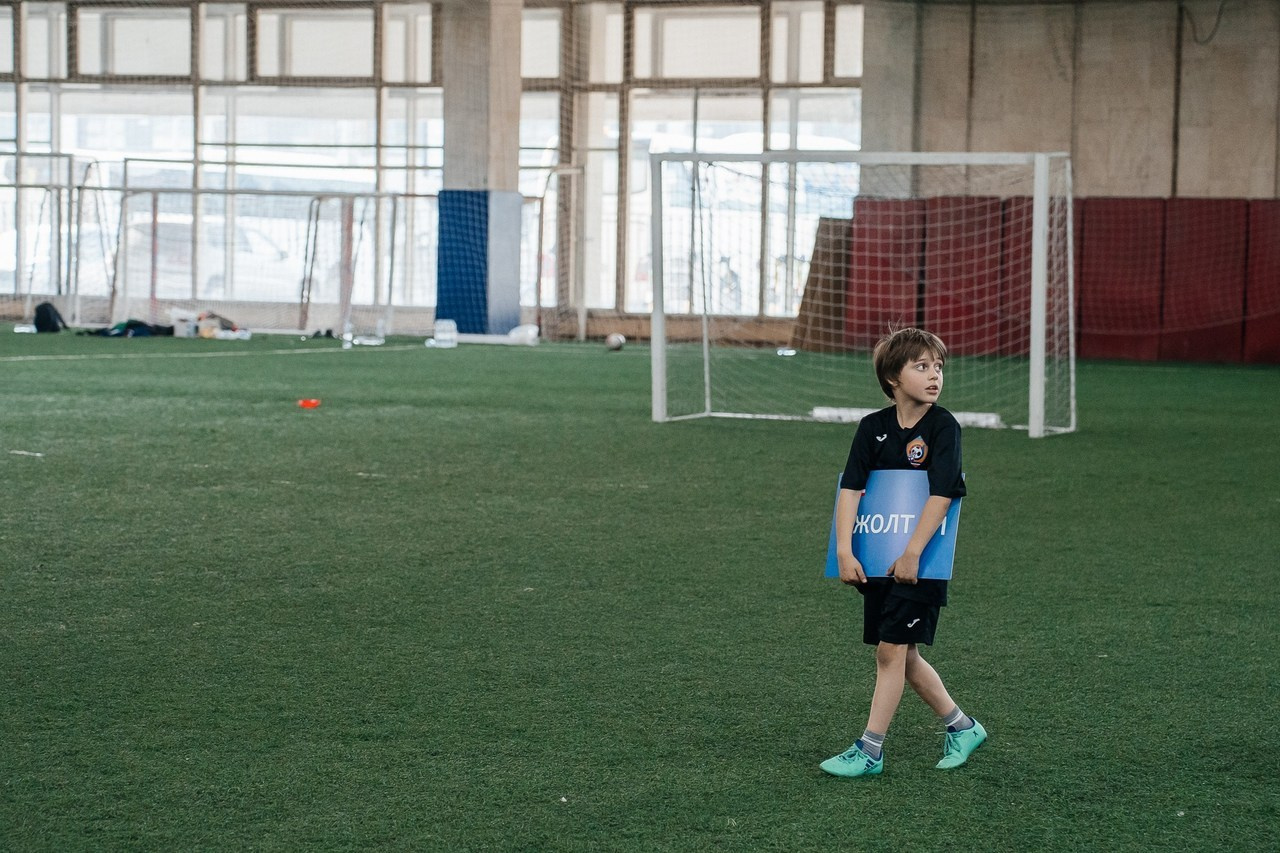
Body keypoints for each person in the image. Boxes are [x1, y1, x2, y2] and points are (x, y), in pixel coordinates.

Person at [820, 327, 986, 778]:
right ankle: (963, 726)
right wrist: (844, 550)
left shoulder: (943, 427)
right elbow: (851, 489)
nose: (936, 376)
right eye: (922, 366)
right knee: (902, 655)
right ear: (893, 377)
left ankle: (870, 749)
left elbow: (944, 493)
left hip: (923, 565)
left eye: (939, 367)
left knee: (890, 653)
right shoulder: (872, 428)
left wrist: (913, 552)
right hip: (875, 561)